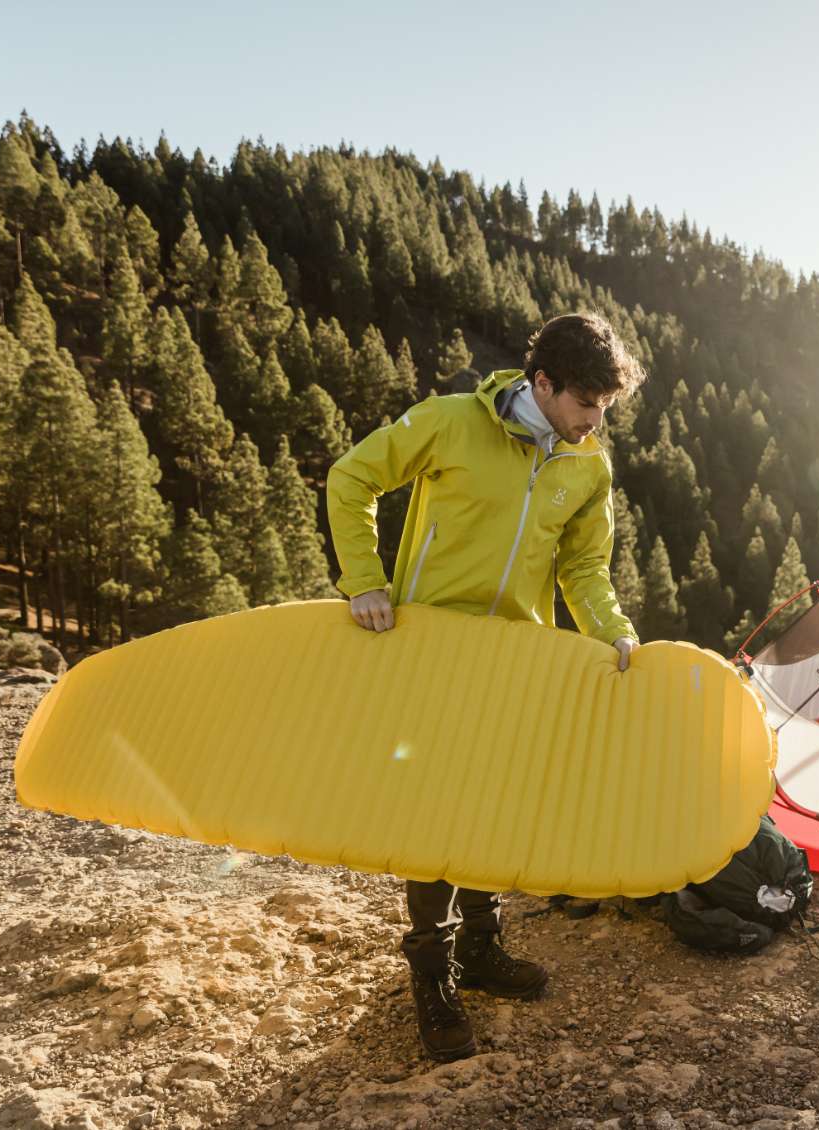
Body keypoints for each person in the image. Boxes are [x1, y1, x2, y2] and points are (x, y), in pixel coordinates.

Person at [325, 312, 645, 1060]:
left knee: (490, 804)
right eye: (586, 404)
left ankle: (481, 946)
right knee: (435, 817)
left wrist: (612, 630)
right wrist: (364, 583)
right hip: (428, 650)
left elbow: (582, 568)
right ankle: (431, 977)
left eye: (605, 407)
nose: (595, 422)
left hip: (510, 657)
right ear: (543, 383)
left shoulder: (586, 465)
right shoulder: (449, 423)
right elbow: (352, 479)